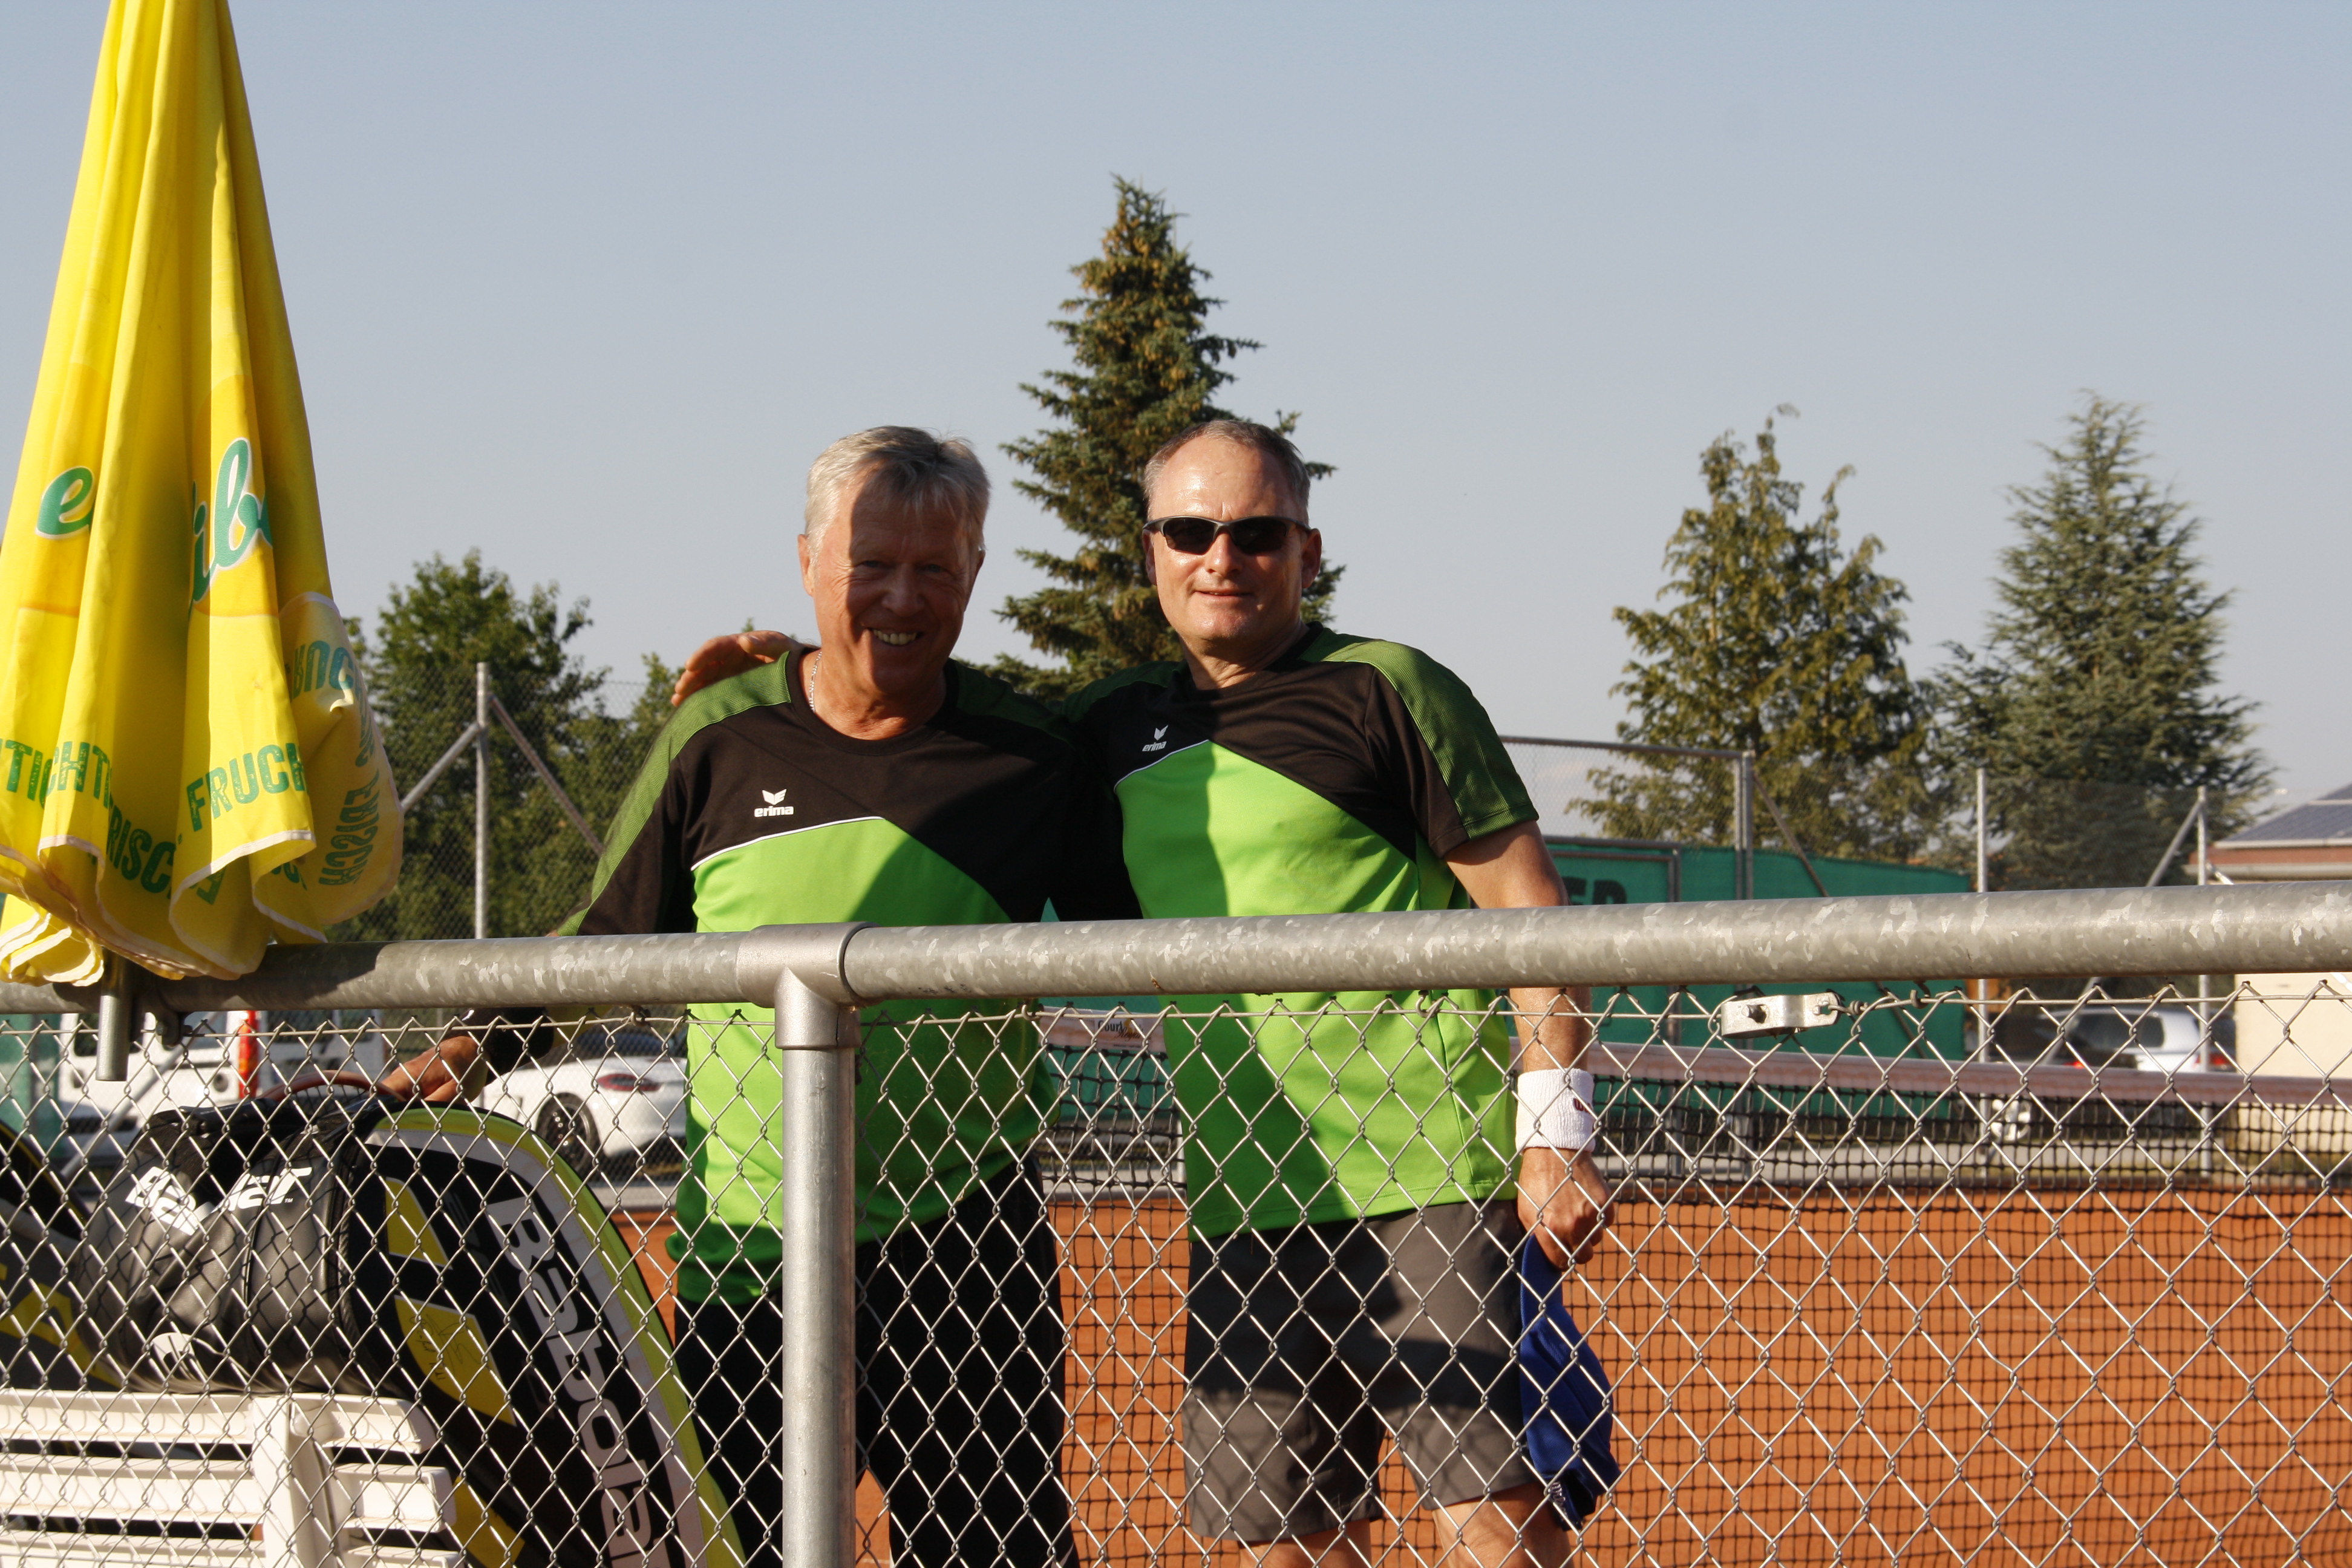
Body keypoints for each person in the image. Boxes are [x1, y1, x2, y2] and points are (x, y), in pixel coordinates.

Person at [677, 420, 1611, 1567]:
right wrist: (790, 683)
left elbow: (1528, 905)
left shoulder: (1389, 687)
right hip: (1242, 1199)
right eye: (1190, 531)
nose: (1223, 558)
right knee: (1286, 1542)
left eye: (1256, 533)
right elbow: (928, 723)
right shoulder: (1108, 727)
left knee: (1496, 1529)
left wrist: (1556, 1132)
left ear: (1307, 552)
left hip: (1433, 1177)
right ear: (1152, 550)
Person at [385, 427, 1137, 1568]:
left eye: (935, 569)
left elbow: (1140, 917)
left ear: (976, 573)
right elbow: (604, 943)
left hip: (966, 1247)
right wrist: (449, 1061)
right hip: (750, 1251)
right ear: (808, 562)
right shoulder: (717, 739)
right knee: (741, 1549)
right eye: (871, 564)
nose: (901, 598)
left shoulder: (1035, 755)